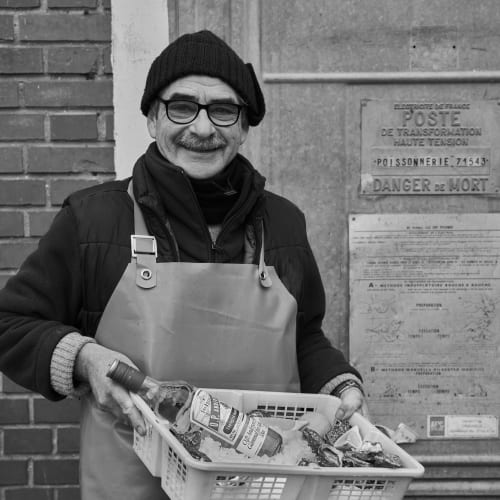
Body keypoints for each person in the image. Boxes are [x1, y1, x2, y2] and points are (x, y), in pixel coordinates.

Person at [0, 30, 367, 499]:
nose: (202, 128)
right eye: (182, 107)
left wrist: (340, 388)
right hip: (132, 483)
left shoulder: (284, 224)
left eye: (223, 109)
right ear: (154, 118)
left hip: (261, 484)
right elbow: (11, 323)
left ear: (244, 126)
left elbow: (306, 337)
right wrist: (83, 357)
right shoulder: (93, 219)